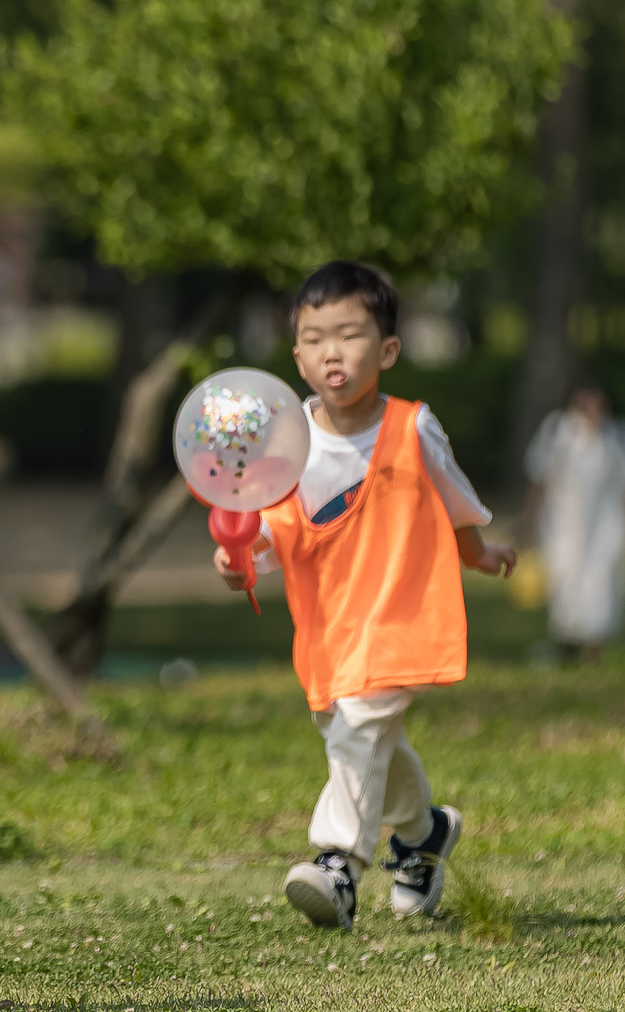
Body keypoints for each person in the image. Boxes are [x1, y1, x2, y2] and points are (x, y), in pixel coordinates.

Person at [215, 261, 515, 931]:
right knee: (360, 736)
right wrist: (237, 564)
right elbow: (263, 527)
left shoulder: (413, 427)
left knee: (358, 732)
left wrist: (482, 556)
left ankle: (337, 864)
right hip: (328, 627)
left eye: (349, 335)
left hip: (399, 617)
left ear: (387, 349)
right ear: (296, 355)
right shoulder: (285, 438)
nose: (332, 351)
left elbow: (456, 506)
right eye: (315, 337)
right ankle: (424, 830)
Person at [523, 381, 625, 659]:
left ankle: (595, 648)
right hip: (564, 525)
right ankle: (566, 642)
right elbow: (539, 479)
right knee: (565, 579)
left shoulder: (619, 435)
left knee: (602, 582)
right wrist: (529, 521)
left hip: (608, 525)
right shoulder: (557, 431)